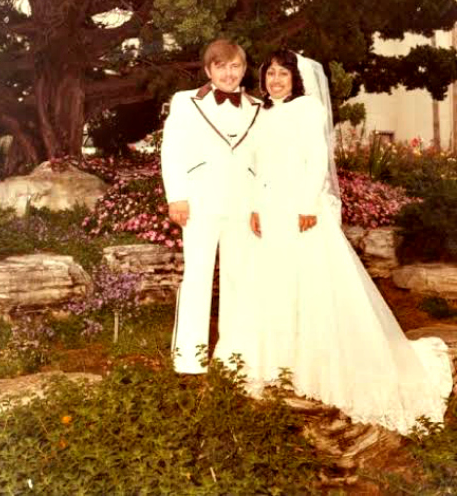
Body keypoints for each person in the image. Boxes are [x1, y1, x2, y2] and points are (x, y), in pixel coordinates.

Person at [241, 49, 452, 435]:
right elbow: (258, 165)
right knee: (276, 282)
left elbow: (317, 159)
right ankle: (280, 357)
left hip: (299, 207)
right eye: (270, 73)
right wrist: (255, 206)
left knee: (309, 282)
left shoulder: (308, 110)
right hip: (269, 209)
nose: (275, 80)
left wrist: (308, 204)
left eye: (283, 74)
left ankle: (318, 361)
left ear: (295, 79)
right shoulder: (262, 114)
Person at [161, 39, 261, 374]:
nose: (228, 73)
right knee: (197, 276)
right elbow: (172, 151)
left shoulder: (258, 107)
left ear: (244, 70)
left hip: (244, 206)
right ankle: (190, 358)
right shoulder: (185, 102)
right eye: (221, 66)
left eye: (235, 66)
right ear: (208, 70)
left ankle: (233, 356)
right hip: (200, 203)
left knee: (240, 278)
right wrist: (176, 196)